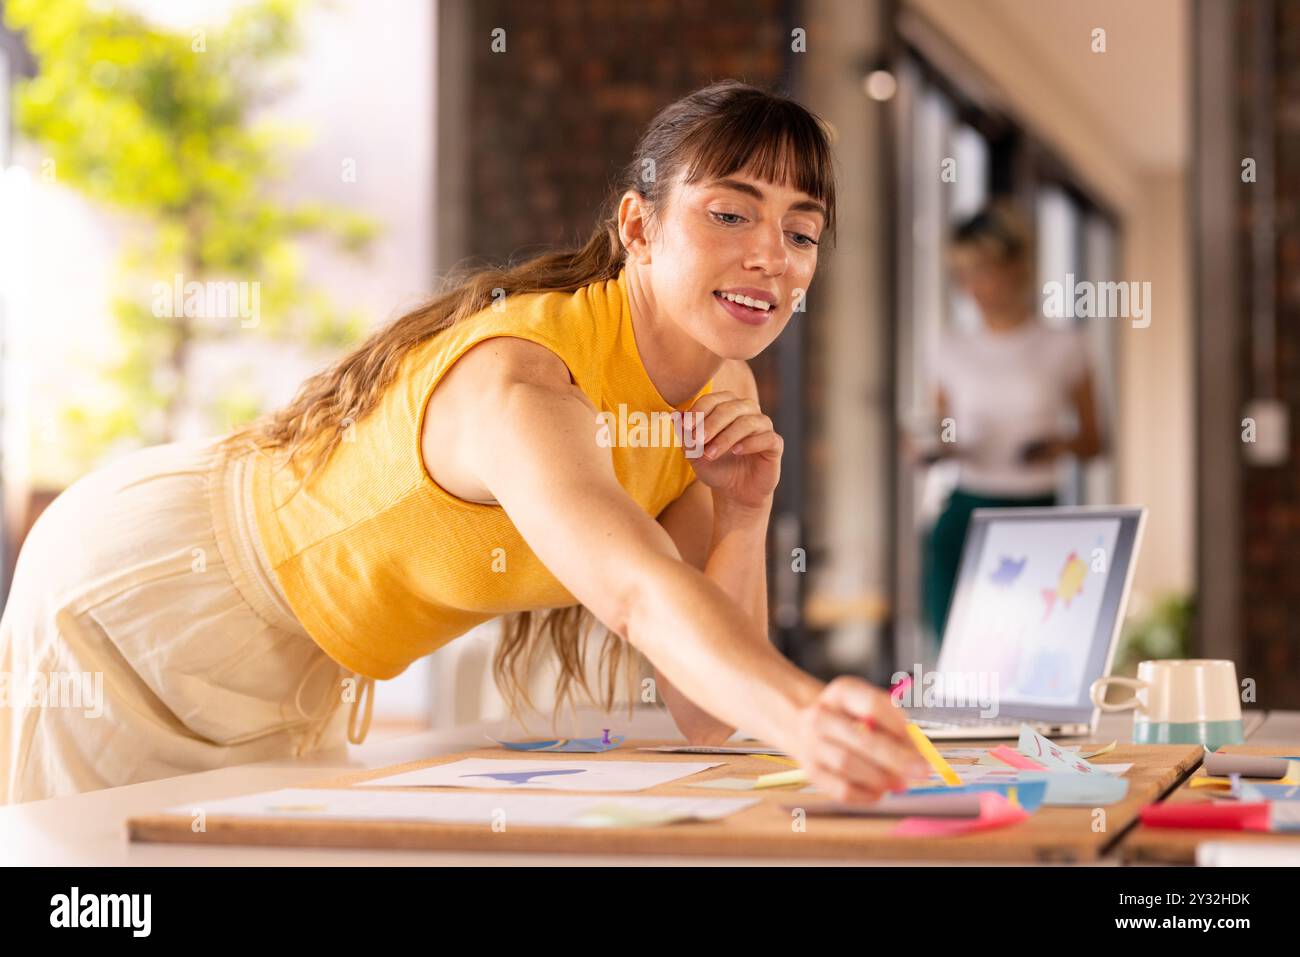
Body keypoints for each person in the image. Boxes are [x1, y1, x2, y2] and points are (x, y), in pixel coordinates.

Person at [0, 80, 928, 805]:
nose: (771, 255)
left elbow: (703, 711)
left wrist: (742, 509)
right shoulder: (526, 382)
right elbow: (641, 597)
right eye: (730, 213)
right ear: (638, 227)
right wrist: (808, 714)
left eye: (801, 231)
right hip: (161, 589)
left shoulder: (721, 388)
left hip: (303, 662)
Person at [916, 203, 1103, 647]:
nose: (972, 287)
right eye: (962, 275)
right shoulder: (949, 347)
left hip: (1036, 511)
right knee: (958, 650)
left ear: (1017, 267)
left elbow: (1096, 439)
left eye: (982, 271)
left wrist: (1056, 447)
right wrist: (933, 446)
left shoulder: (1064, 346)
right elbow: (937, 430)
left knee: (1032, 647)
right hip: (965, 511)